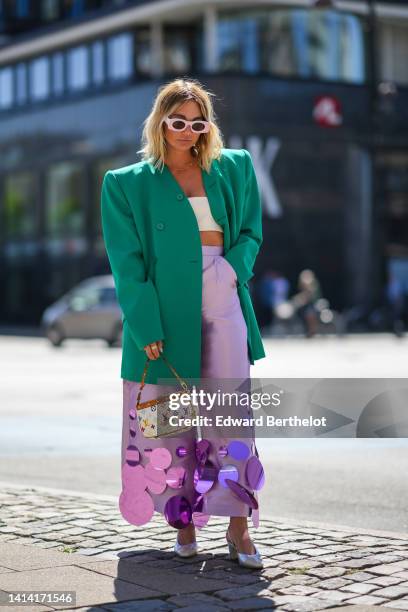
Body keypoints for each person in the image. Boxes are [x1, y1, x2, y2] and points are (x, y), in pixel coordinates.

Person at [101, 78, 266, 569]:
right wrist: (145, 323)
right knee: (168, 422)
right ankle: (185, 523)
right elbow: (125, 262)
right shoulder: (125, 182)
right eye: (178, 121)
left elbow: (252, 230)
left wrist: (231, 270)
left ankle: (238, 527)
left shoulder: (234, 166)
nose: (187, 131)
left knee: (229, 415)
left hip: (222, 293)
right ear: (160, 121)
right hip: (161, 305)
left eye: (198, 122)